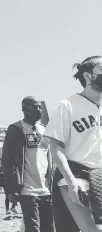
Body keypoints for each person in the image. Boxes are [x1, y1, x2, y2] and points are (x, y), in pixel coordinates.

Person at [44, 56, 102, 232]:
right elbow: (55, 146)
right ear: (88, 76)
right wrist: (70, 181)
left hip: (99, 176)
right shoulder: (68, 105)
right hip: (75, 174)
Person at [2, 97, 54, 232]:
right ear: (25, 109)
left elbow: (51, 158)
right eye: (35, 107)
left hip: (47, 189)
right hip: (28, 190)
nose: (39, 110)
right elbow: (7, 160)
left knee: (49, 228)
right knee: (33, 229)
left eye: (40, 107)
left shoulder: (44, 130)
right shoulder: (16, 129)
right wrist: (10, 189)